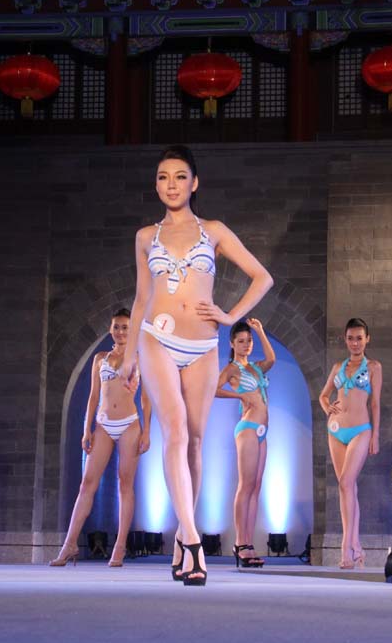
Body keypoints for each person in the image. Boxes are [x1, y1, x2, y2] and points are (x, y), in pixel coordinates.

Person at [119, 145, 273, 586]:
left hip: (203, 344)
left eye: (180, 176)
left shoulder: (214, 231)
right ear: (156, 185)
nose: (171, 184)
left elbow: (262, 277)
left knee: (195, 442)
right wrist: (129, 357)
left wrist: (229, 315)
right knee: (176, 431)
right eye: (163, 177)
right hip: (156, 337)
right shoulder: (145, 236)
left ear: (194, 183)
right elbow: (141, 298)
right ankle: (191, 539)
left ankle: (180, 540)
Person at [50, 309, 151, 567]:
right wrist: (87, 429)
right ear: (110, 329)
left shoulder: (139, 358)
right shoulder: (99, 358)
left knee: (124, 484)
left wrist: (147, 431)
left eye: (125, 327)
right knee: (87, 484)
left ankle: (120, 546)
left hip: (129, 424)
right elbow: (93, 397)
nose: (120, 331)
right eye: (116, 327)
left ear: (132, 330)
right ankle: (70, 544)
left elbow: (146, 398)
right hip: (103, 424)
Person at [319, 318, 382, 569]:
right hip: (335, 430)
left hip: (360, 430)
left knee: (346, 483)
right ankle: (356, 546)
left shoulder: (374, 367)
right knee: (347, 488)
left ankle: (346, 547)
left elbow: (375, 403)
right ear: (345, 340)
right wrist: (327, 408)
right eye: (350, 338)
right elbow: (323, 395)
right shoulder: (338, 367)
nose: (355, 343)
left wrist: (375, 435)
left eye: (359, 338)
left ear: (367, 339)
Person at [216, 318, 276, 568]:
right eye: (241, 341)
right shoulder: (232, 369)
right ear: (232, 343)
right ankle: (240, 543)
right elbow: (213, 388)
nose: (246, 345)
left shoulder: (256, 367)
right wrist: (239, 395)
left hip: (263, 431)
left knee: (256, 487)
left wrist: (260, 331)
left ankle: (249, 543)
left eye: (249, 341)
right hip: (248, 428)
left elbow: (271, 358)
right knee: (246, 485)